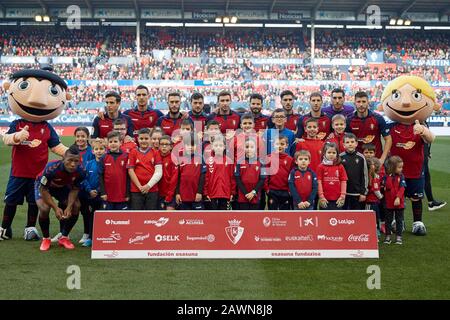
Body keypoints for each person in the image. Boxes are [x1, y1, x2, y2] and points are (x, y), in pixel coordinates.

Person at [1, 67, 69, 241]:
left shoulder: (46, 127)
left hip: (38, 175)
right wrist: (17, 136)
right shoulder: (17, 123)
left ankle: (29, 228)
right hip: (18, 172)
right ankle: (5, 228)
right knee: (11, 202)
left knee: (34, 203)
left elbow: (56, 146)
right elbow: (6, 139)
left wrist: (71, 154)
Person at [380, 75, 440, 235]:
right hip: (394, 171)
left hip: (414, 170)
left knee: (416, 197)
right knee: (393, 196)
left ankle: (418, 223)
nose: (406, 103)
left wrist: (424, 132)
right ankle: (394, 221)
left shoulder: (419, 126)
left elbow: (431, 138)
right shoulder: (390, 127)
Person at [35, 146, 86, 251]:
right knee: (44, 209)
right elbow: (43, 189)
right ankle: (46, 238)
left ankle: (64, 237)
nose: (73, 164)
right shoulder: (51, 168)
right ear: (63, 159)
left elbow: (75, 189)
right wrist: (55, 208)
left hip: (62, 187)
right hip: (44, 187)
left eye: (76, 161)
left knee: (76, 206)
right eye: (70, 160)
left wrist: (69, 206)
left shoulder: (81, 171)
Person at [346, 91, 392, 164]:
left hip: (375, 160)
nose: (361, 104)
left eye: (364, 101)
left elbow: (388, 139)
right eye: (358, 102)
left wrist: (382, 159)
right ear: (354, 103)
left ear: (368, 102)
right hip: (357, 161)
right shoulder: (349, 120)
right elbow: (346, 141)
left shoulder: (378, 118)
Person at [78, 138, 106, 247]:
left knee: (102, 217)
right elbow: (84, 179)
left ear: (105, 150)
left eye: (101, 149)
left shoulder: (106, 164)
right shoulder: (89, 164)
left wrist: (99, 190)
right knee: (91, 216)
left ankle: (102, 237)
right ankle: (90, 237)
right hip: (90, 196)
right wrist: (89, 190)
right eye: (96, 149)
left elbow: (107, 180)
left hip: (103, 196)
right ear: (93, 151)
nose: (99, 151)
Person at [127, 128, 163, 210]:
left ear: (150, 139)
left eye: (146, 138)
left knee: (150, 217)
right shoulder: (133, 152)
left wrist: (148, 186)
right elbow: (130, 170)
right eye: (141, 138)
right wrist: (140, 186)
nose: (144, 141)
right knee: (137, 216)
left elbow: (159, 172)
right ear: (137, 139)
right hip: (136, 190)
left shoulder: (155, 152)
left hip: (152, 190)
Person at [168, 133, 205, 210]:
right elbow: (177, 177)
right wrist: (177, 193)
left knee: (198, 219)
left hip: (196, 196)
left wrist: (199, 192)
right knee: (184, 219)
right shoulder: (180, 158)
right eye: (188, 145)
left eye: (193, 145)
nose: (190, 147)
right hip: (183, 196)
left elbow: (202, 177)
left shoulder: (201, 158)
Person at [99, 131, 129, 210]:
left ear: (120, 143)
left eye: (115, 141)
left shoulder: (126, 156)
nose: (113, 144)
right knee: (108, 219)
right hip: (108, 196)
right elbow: (100, 176)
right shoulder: (103, 157)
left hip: (122, 195)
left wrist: (127, 194)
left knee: (121, 219)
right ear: (107, 143)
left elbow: (128, 177)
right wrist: (103, 192)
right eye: (110, 141)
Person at [203, 135, 235, 210]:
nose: (218, 147)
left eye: (220, 145)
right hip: (212, 193)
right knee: (213, 217)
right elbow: (206, 178)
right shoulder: (209, 161)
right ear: (212, 147)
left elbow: (232, 178)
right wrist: (206, 192)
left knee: (223, 217)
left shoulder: (229, 161)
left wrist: (232, 192)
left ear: (224, 147)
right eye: (216, 145)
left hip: (225, 193)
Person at [234, 138, 266, 210]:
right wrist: (245, 193)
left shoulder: (262, 162)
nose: (249, 149)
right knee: (244, 219)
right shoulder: (239, 162)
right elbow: (237, 179)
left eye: (252, 147)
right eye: (247, 147)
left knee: (254, 218)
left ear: (256, 148)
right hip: (243, 195)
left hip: (255, 195)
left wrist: (253, 192)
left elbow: (262, 179)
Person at [265, 136, 294, 210]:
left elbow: (292, 176)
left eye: (282, 144)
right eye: (277, 144)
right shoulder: (268, 158)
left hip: (285, 191)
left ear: (286, 145)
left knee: (285, 214)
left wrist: (290, 190)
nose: (279, 146)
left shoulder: (290, 159)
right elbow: (265, 175)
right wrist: (267, 189)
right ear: (273, 145)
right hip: (272, 190)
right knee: (272, 213)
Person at [340, 133, 368, 210]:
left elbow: (364, 175)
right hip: (343, 193)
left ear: (356, 144)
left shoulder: (361, 157)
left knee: (357, 216)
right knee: (343, 216)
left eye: (352, 142)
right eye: (347, 142)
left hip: (357, 193)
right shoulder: (340, 157)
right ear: (344, 145)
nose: (350, 144)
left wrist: (363, 193)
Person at [316, 142, 348, 210]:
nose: (331, 155)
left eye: (334, 153)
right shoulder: (320, 167)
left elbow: (343, 181)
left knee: (337, 219)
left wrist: (342, 196)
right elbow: (319, 182)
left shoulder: (340, 166)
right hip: (325, 199)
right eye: (329, 152)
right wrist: (321, 196)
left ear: (337, 154)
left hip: (338, 199)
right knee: (324, 219)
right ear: (324, 153)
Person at [383, 156, 407, 245]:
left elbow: (402, 188)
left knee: (399, 220)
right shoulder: (386, 177)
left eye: (402, 167)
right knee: (388, 220)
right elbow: (386, 187)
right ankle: (388, 236)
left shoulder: (401, 177)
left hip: (399, 203)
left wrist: (398, 197)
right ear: (392, 167)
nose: (401, 169)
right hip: (388, 202)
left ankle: (399, 237)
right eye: (399, 167)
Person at [365, 157, 384, 240]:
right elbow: (375, 189)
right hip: (371, 201)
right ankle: (373, 232)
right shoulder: (374, 177)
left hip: (372, 201)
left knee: (374, 217)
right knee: (372, 217)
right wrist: (381, 197)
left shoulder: (371, 176)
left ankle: (375, 231)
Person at [158, 135, 176, 210]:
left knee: (170, 215)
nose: (164, 146)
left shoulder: (173, 158)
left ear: (171, 147)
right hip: (157, 194)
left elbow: (174, 179)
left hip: (170, 194)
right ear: (159, 146)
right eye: (162, 144)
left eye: (167, 144)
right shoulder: (155, 156)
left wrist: (170, 195)